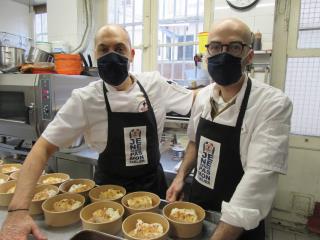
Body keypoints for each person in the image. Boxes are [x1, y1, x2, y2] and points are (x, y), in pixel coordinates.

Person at [0, 24, 193, 239]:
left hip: (152, 190)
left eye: (119, 49)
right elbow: (42, 148)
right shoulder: (85, 99)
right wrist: (17, 212)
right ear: (95, 55)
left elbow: (198, 99)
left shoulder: (154, 85)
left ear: (131, 54)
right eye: (104, 49)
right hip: (106, 196)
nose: (111, 56)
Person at [166, 18, 292, 240]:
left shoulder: (272, 104)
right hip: (198, 209)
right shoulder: (204, 96)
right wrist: (180, 177)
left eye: (234, 47)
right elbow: (195, 141)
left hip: (238, 224)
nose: (222, 54)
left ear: (249, 56)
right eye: (215, 47)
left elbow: (258, 178)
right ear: (207, 54)